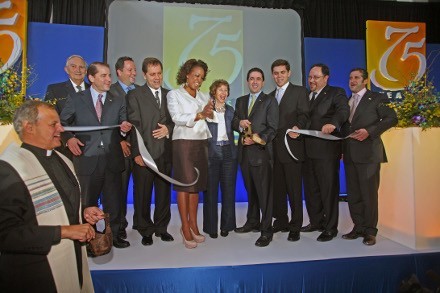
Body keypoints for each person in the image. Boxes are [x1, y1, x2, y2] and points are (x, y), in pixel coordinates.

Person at [0, 100, 105, 292]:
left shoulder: (63, 160)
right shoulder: (9, 169)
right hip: (36, 273)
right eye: (53, 124)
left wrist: (84, 212)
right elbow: (6, 235)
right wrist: (64, 231)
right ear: (29, 127)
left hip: (72, 260)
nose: (61, 128)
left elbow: (60, 206)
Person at [60, 62, 132, 249]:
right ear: (91, 78)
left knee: (114, 202)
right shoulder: (77, 99)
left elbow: (123, 124)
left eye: (109, 75)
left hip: (112, 159)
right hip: (87, 160)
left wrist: (124, 130)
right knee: (87, 203)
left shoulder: (117, 100)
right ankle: (89, 239)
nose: (109, 79)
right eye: (103, 76)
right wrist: (69, 139)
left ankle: (114, 236)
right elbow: (61, 124)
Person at [341, 68, 397, 246]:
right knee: (354, 194)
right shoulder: (347, 101)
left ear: (365, 81)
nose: (352, 80)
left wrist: (369, 132)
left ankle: (370, 232)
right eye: (350, 77)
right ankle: (358, 227)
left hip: (369, 155)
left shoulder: (377, 98)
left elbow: (391, 118)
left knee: (368, 194)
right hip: (349, 155)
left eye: (356, 77)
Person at [126, 57, 174, 246]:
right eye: (152, 74)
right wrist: (137, 153)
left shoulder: (170, 95)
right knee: (143, 194)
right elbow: (134, 126)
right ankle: (145, 229)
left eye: (159, 73)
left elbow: (175, 120)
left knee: (164, 193)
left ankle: (162, 228)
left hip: (165, 154)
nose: (156, 77)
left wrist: (168, 129)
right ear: (145, 75)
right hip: (144, 155)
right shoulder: (135, 95)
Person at [167, 59, 214, 249]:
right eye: (196, 75)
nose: (199, 80)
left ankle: (194, 224)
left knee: (196, 186)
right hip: (183, 143)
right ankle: (184, 227)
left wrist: (212, 111)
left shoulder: (204, 96)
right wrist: (200, 115)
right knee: (184, 185)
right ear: (186, 74)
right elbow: (176, 118)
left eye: (202, 77)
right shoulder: (174, 94)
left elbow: (211, 118)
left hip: (201, 143)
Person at [301, 63, 350, 242]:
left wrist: (334, 124)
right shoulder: (306, 96)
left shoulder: (336, 92)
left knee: (328, 190)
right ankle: (316, 222)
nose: (312, 80)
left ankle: (330, 227)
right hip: (307, 151)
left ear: (326, 78)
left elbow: (343, 110)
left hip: (327, 151)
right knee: (311, 189)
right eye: (310, 77)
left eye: (316, 77)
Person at [232, 67, 279, 247]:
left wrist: (258, 140)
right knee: (251, 191)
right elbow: (235, 121)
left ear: (263, 82)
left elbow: (273, 128)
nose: (254, 81)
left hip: (261, 154)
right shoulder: (241, 101)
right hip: (244, 155)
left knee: (264, 194)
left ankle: (266, 230)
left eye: (258, 79)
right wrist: (239, 123)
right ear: (247, 81)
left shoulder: (269, 101)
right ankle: (252, 222)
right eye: (251, 78)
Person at [269, 59, 310, 242]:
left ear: (289, 73)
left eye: (282, 72)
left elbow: (304, 115)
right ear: (272, 75)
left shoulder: (299, 91)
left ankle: (295, 226)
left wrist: (298, 127)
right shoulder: (269, 96)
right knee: (278, 189)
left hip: (292, 149)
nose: (279, 76)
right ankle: (281, 221)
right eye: (276, 73)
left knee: (294, 190)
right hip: (273, 151)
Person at [109, 56, 139, 240]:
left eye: (134, 70)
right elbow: (104, 121)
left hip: (140, 149)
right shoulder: (110, 92)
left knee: (141, 189)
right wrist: (118, 140)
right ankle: (118, 227)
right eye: (130, 70)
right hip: (119, 151)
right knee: (118, 191)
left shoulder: (140, 92)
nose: (134, 73)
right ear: (119, 72)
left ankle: (140, 223)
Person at [203, 79, 237, 239]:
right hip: (212, 153)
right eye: (220, 90)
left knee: (229, 191)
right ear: (213, 92)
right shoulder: (207, 111)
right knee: (210, 192)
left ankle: (227, 226)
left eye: (226, 90)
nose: (223, 93)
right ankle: (211, 228)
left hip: (229, 153)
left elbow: (236, 126)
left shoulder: (231, 110)